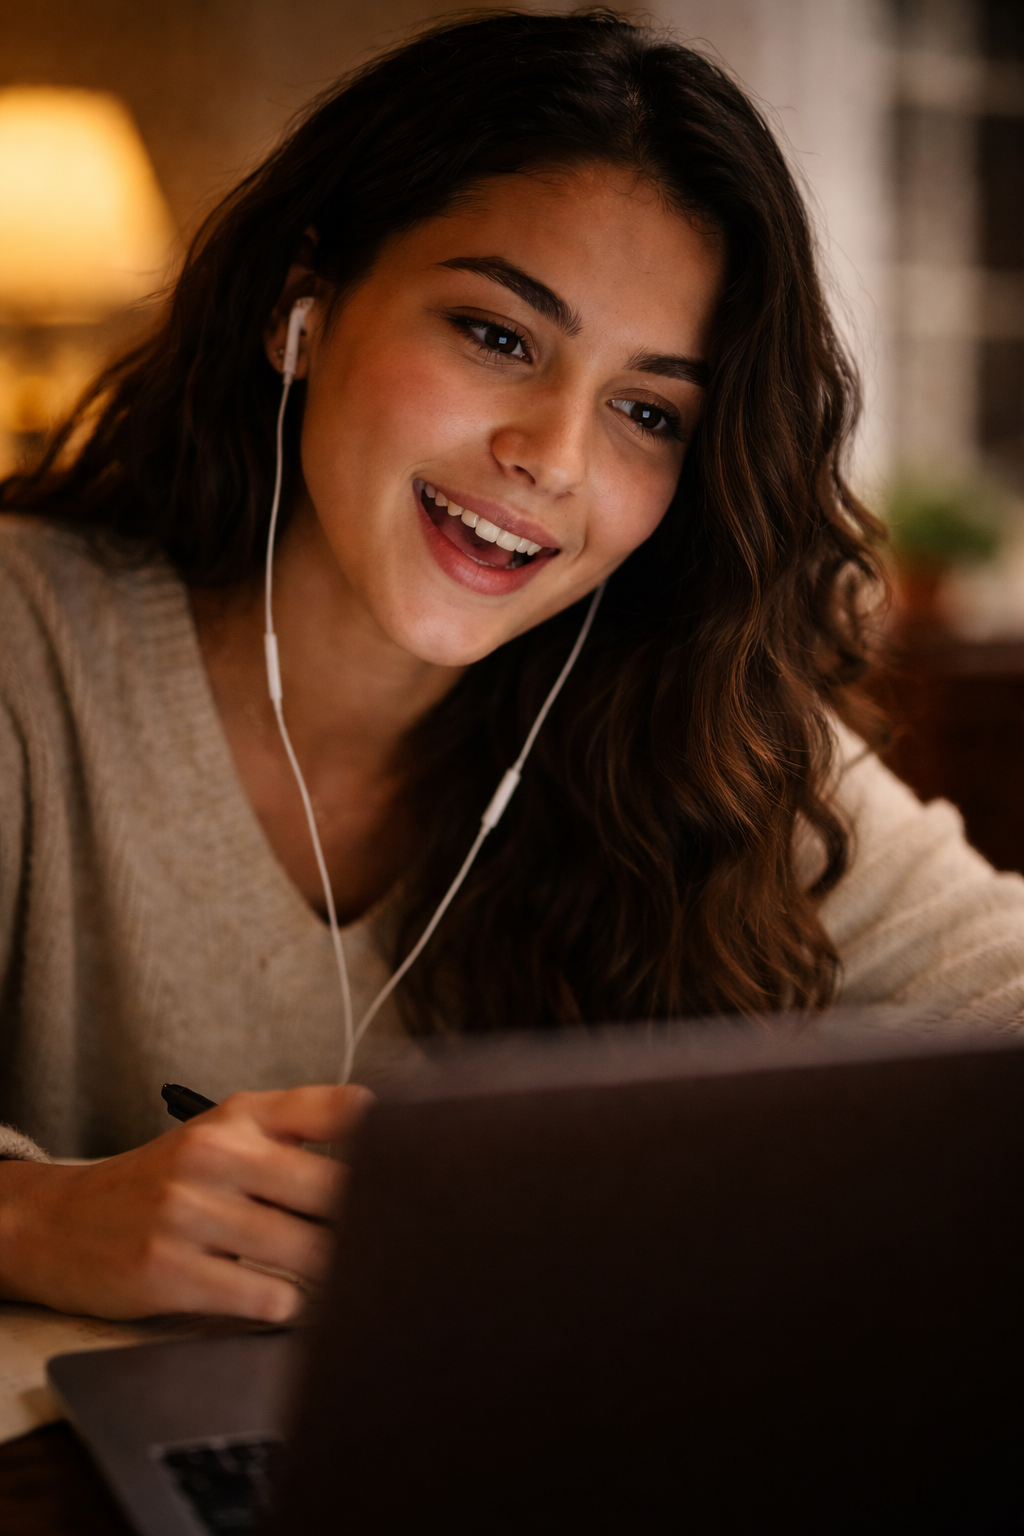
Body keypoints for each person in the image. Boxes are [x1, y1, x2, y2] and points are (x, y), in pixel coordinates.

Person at [1, 10, 1022, 1324]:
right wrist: (34, 1215)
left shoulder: (698, 726)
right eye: (497, 335)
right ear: (300, 308)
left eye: (650, 411)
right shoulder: (30, 647)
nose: (555, 455)